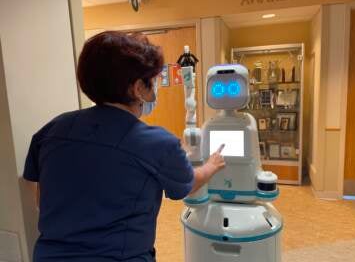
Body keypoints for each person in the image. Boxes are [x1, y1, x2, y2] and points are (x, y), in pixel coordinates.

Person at [23, 31, 225, 262]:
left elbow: (41, 198)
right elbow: (187, 185)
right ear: (139, 88)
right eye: (154, 79)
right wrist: (212, 165)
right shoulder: (158, 143)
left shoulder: (52, 130)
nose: (156, 86)